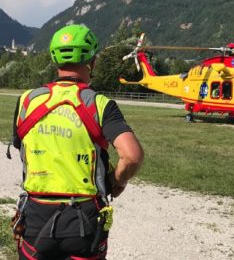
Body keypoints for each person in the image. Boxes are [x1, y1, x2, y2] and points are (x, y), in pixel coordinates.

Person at [11, 24, 144, 260]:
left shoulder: (26, 101)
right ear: (91, 62)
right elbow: (132, 156)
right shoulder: (100, 104)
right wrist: (116, 181)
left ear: (55, 60)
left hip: (36, 215)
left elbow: (23, 147)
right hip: (84, 218)